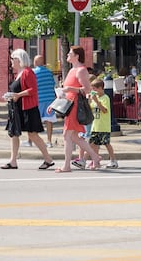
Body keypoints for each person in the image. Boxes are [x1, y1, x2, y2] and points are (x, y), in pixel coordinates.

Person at [0, 49, 52, 170]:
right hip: (17, 108)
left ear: (19, 59)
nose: (11, 62)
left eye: (13, 59)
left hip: (28, 108)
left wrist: (18, 95)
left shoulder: (28, 72)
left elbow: (33, 89)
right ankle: (13, 161)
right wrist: (11, 96)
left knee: (33, 134)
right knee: (14, 134)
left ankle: (48, 158)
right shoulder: (20, 73)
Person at [56, 45, 100, 173]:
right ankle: (94, 156)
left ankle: (67, 165)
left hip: (75, 105)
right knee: (74, 136)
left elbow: (87, 89)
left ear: (77, 56)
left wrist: (70, 89)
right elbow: (67, 89)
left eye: (70, 53)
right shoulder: (71, 70)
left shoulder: (81, 70)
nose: (67, 55)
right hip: (68, 104)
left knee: (67, 135)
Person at [87, 77, 118, 168]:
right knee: (93, 144)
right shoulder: (94, 99)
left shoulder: (105, 98)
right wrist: (89, 101)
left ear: (100, 88)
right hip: (95, 126)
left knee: (106, 143)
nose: (94, 91)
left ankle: (113, 160)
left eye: (95, 89)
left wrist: (96, 101)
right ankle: (96, 161)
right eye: (92, 89)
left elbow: (104, 110)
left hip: (103, 126)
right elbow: (91, 109)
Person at [33, 53, 59, 145]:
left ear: (35, 62)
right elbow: (53, 84)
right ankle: (49, 141)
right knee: (49, 120)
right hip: (50, 99)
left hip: (39, 99)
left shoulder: (34, 73)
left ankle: (32, 140)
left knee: (35, 120)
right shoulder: (49, 72)